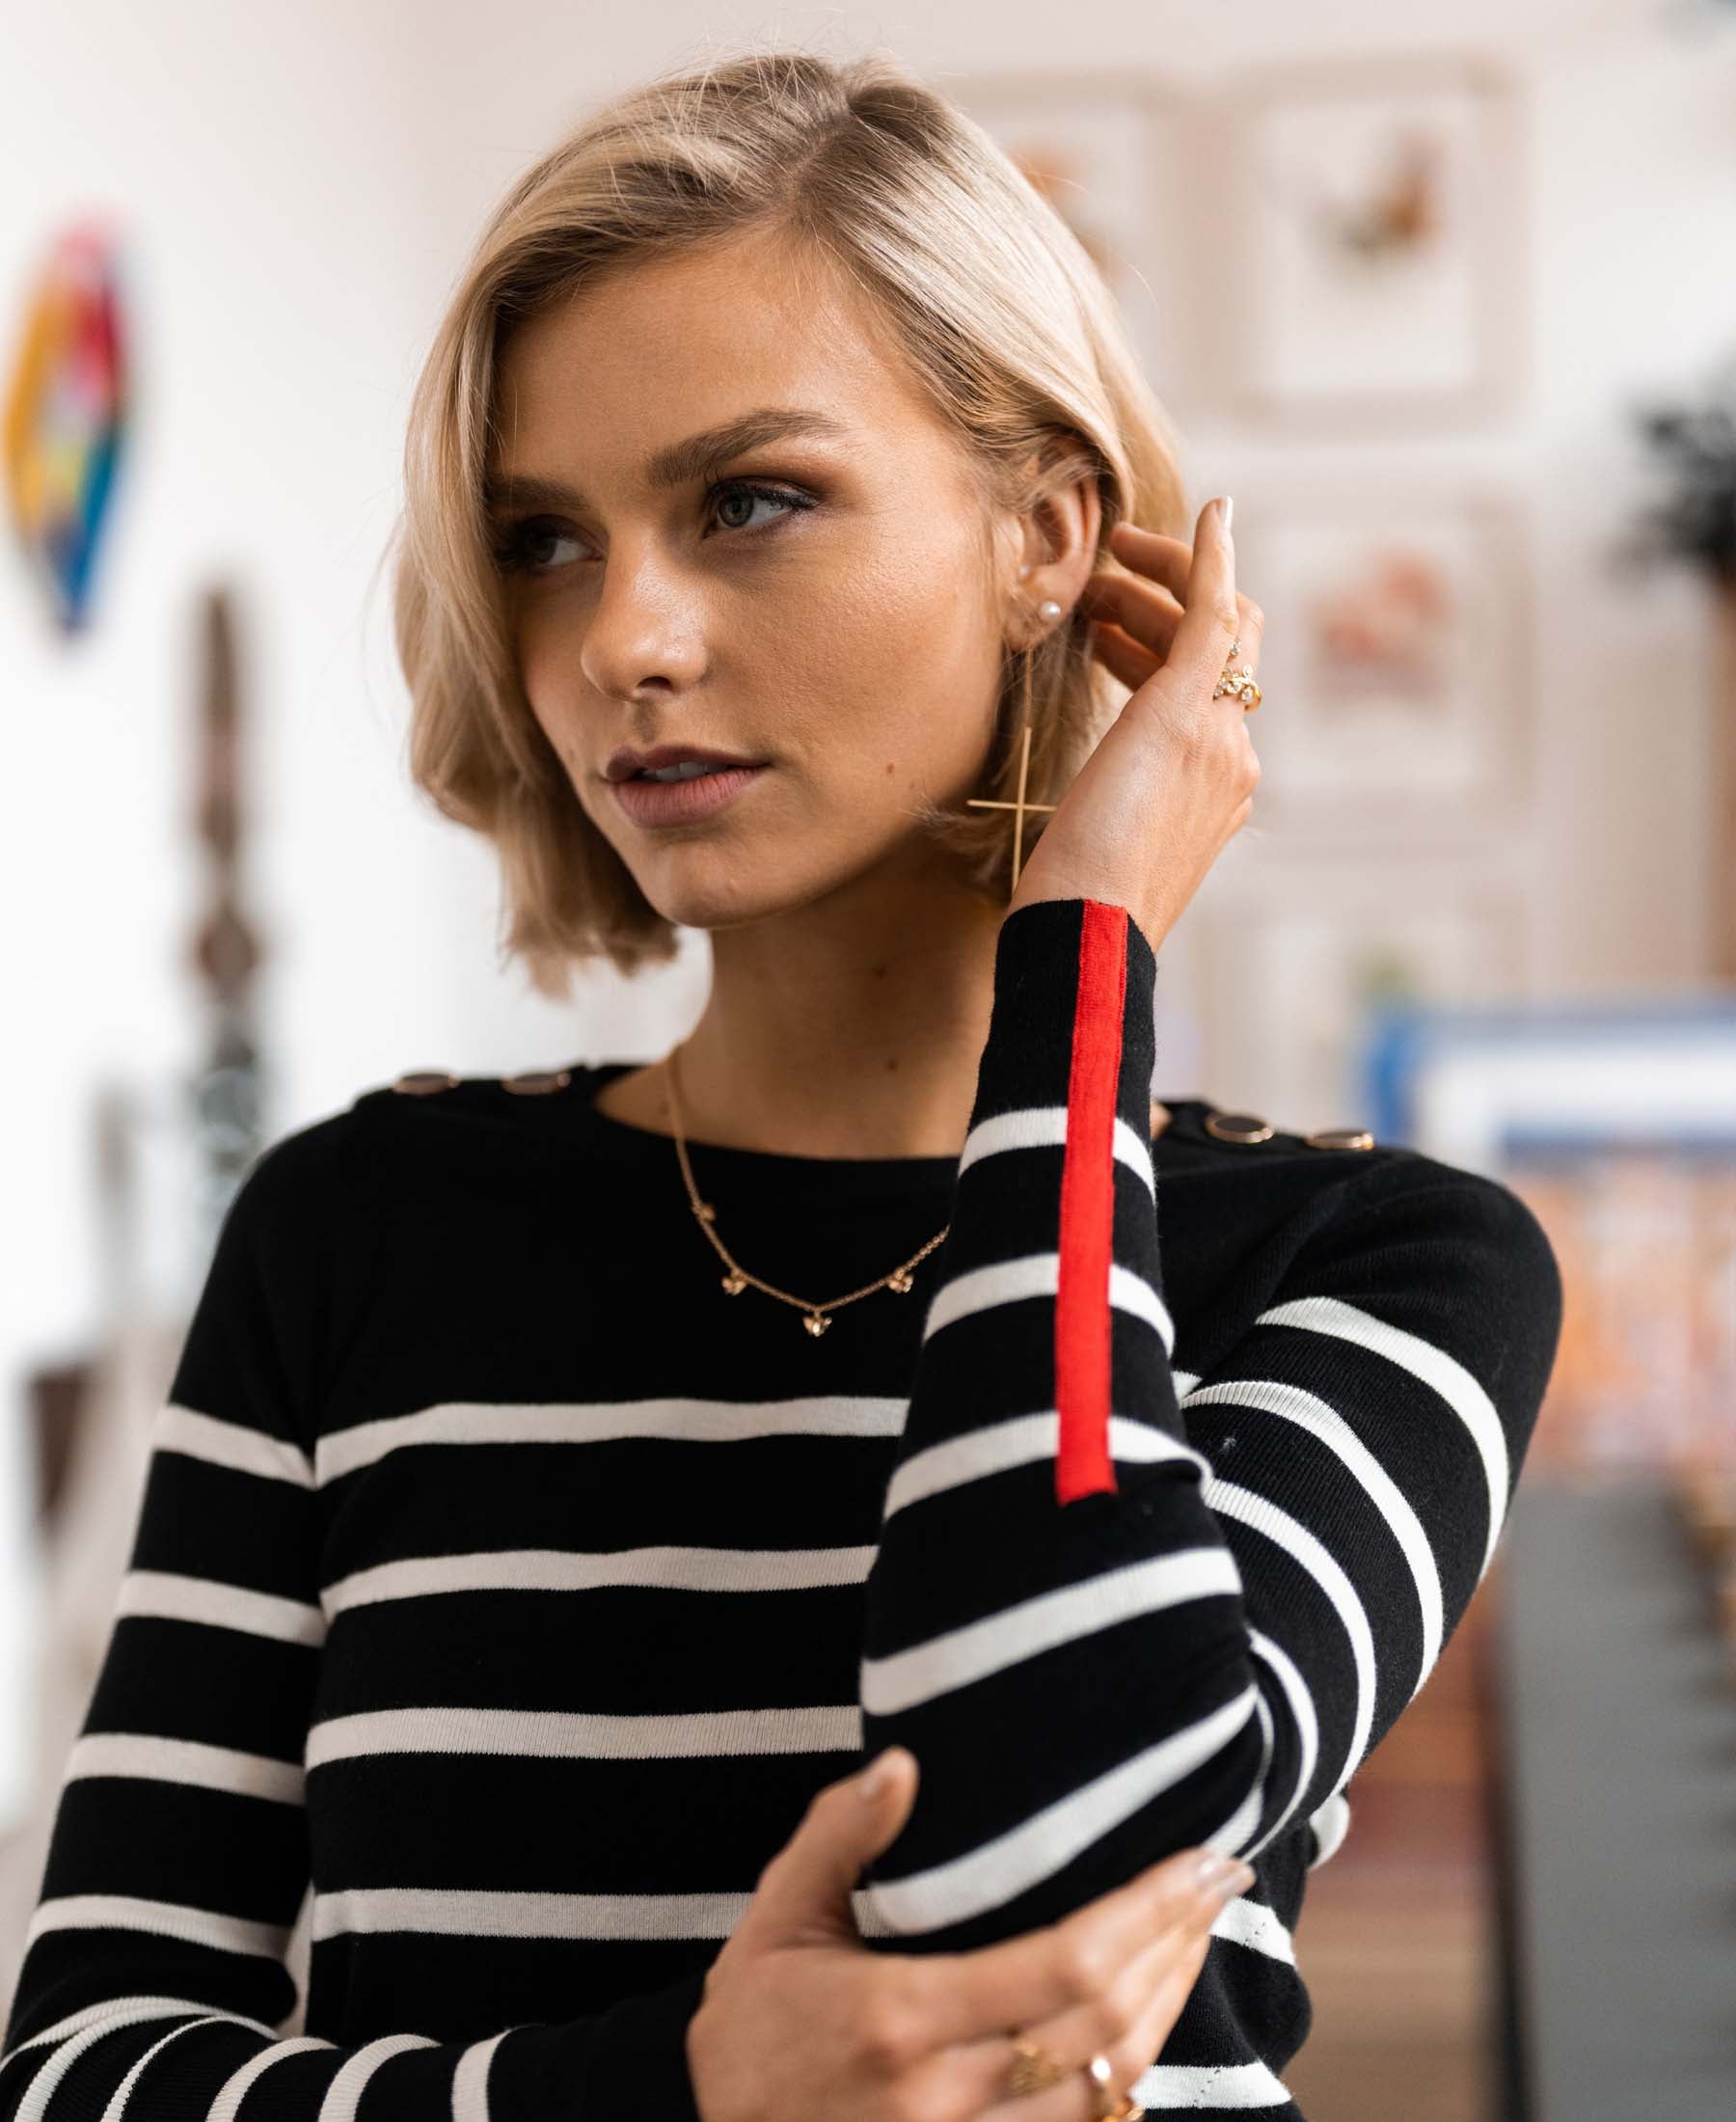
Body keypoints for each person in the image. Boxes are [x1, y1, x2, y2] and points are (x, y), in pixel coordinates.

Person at [0, 45, 1562, 2122]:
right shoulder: (356, 1229)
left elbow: (1064, 1823)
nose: (624, 637)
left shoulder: (1370, 1264)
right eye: (545, 537)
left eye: (749, 500)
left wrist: (1084, 950)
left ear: (1048, 534)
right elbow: (84, 2068)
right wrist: (669, 2090)